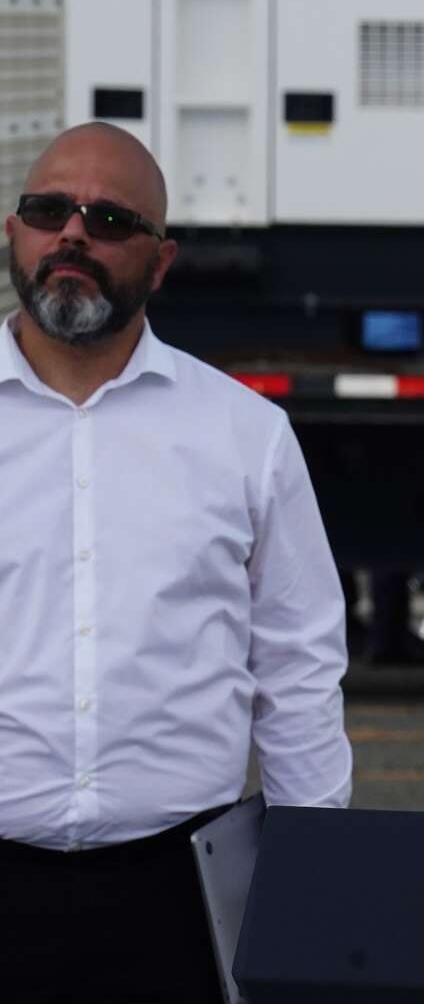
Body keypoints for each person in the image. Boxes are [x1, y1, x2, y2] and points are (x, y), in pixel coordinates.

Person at [0, 123, 352, 1003]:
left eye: (111, 219)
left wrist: (312, 885)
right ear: (13, 233)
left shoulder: (242, 434)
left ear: (160, 263)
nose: (74, 234)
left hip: (176, 902)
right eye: (50, 211)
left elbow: (298, 670)